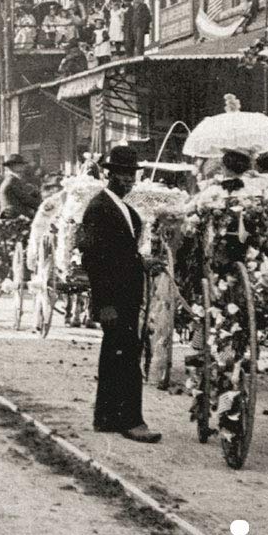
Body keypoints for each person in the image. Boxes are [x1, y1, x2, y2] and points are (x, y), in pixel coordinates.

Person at [73, 144, 159, 443]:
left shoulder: (125, 210)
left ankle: (107, 417)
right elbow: (94, 260)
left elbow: (122, 253)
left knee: (114, 355)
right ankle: (131, 421)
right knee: (127, 357)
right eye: (122, 174)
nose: (128, 180)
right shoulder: (99, 208)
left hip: (126, 294)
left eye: (131, 175)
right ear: (110, 175)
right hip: (115, 297)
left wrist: (143, 262)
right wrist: (104, 304)